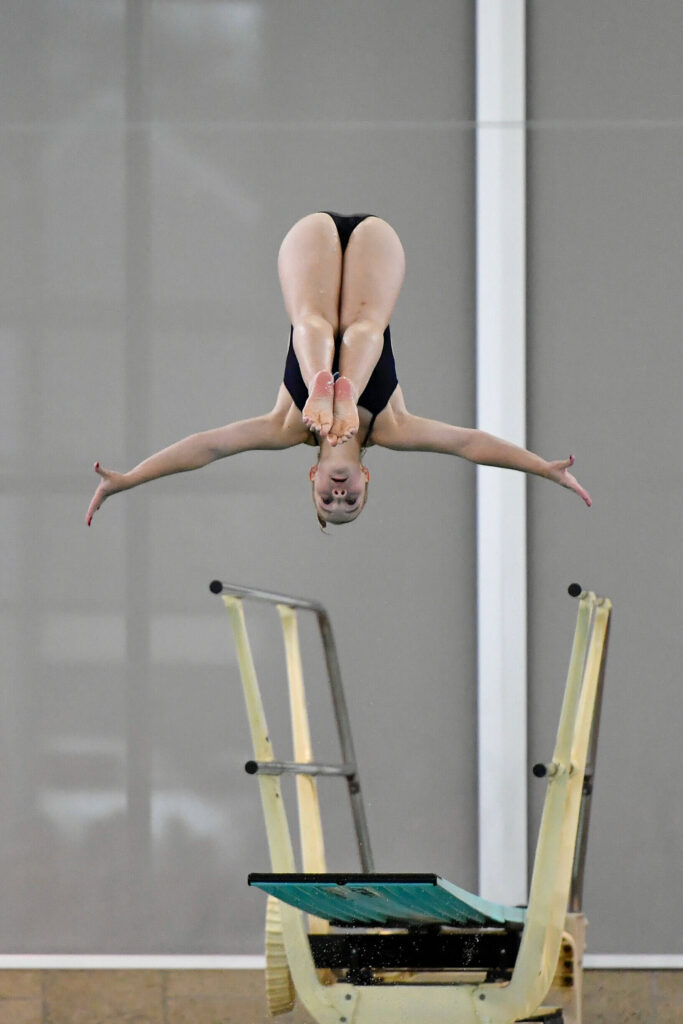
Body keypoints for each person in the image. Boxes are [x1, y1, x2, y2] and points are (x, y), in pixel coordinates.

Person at [86, 211, 591, 529]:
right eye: (351, 501)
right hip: (376, 246)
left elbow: (209, 446)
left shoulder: (285, 429)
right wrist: (539, 467)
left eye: (328, 501)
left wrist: (130, 478)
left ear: (314, 475)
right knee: (366, 328)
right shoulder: (391, 427)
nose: (340, 496)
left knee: (312, 324)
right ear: (366, 478)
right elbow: (468, 444)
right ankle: (339, 390)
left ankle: (325, 387)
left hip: (310, 247)